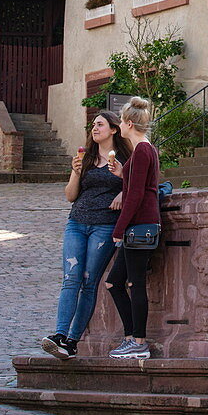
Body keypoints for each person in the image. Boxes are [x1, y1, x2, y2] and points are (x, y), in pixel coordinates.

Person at [41, 111, 130, 359]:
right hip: (77, 223)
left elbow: (139, 185)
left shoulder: (125, 158)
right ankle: (59, 334)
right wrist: (76, 172)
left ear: (114, 129)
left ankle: (71, 342)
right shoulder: (85, 158)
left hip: (104, 226)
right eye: (93, 125)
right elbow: (70, 195)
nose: (94, 128)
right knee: (71, 279)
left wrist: (124, 191)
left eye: (100, 124)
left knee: (89, 283)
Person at [105, 96, 160, 360]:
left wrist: (119, 228)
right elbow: (138, 183)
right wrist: (122, 173)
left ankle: (139, 342)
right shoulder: (145, 150)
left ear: (128, 124)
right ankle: (131, 337)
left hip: (140, 225)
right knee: (114, 282)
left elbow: (135, 195)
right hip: (142, 225)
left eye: (120, 122)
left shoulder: (141, 151)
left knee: (134, 283)